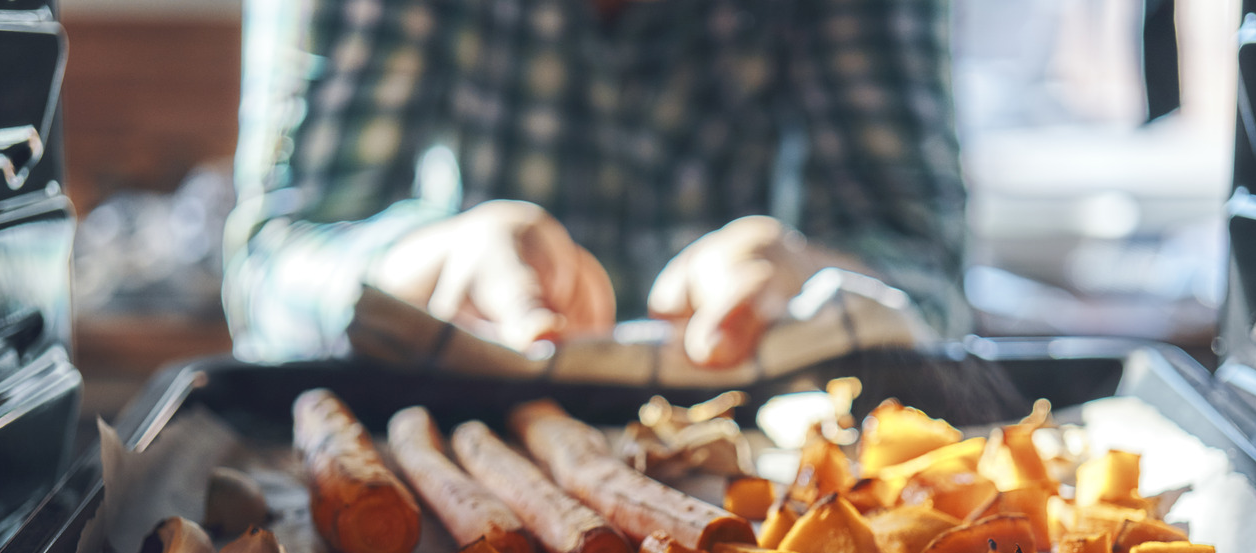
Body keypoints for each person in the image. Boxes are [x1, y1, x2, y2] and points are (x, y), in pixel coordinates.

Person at [225, 0, 971, 369]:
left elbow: (926, 271)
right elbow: (274, 259)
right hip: (456, 418)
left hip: (762, 443)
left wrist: (810, 272)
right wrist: (415, 268)